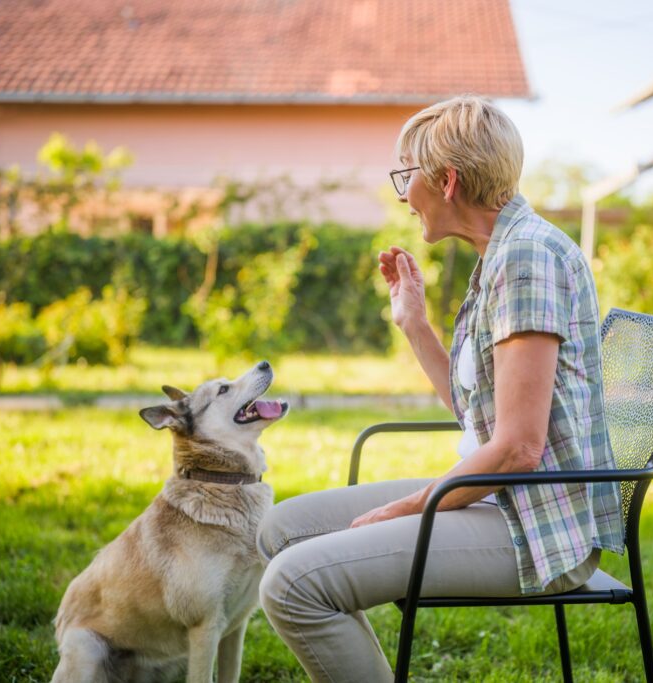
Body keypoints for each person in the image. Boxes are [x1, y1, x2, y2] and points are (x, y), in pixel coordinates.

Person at [256, 95, 622, 682]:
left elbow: (517, 450)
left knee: (293, 585)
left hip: (537, 526)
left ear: (447, 180)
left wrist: (403, 510)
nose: (402, 196)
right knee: (281, 531)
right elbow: (486, 419)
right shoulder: (502, 251)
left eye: (406, 176)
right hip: (502, 498)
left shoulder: (526, 257)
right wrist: (415, 324)